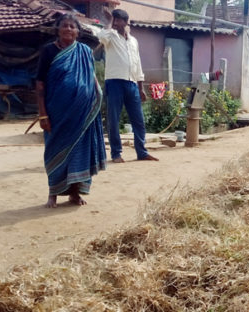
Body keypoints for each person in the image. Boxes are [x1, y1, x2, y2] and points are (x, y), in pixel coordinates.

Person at [36, 14, 107, 208]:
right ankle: (53, 193)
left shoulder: (84, 51)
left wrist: (95, 99)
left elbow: (92, 79)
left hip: (83, 114)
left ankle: (75, 193)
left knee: (78, 152)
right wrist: (42, 114)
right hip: (57, 113)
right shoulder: (49, 51)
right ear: (58, 29)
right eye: (65, 26)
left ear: (78, 31)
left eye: (72, 27)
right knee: (54, 150)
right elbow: (40, 84)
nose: (69, 29)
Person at [98, 8, 158, 163]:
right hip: (114, 82)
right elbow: (101, 36)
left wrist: (141, 87)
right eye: (114, 20)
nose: (116, 23)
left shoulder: (133, 41)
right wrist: (109, 21)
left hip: (132, 84)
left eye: (119, 20)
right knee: (113, 119)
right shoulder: (110, 36)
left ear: (125, 22)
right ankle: (116, 154)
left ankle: (142, 152)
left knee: (138, 120)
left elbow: (137, 64)